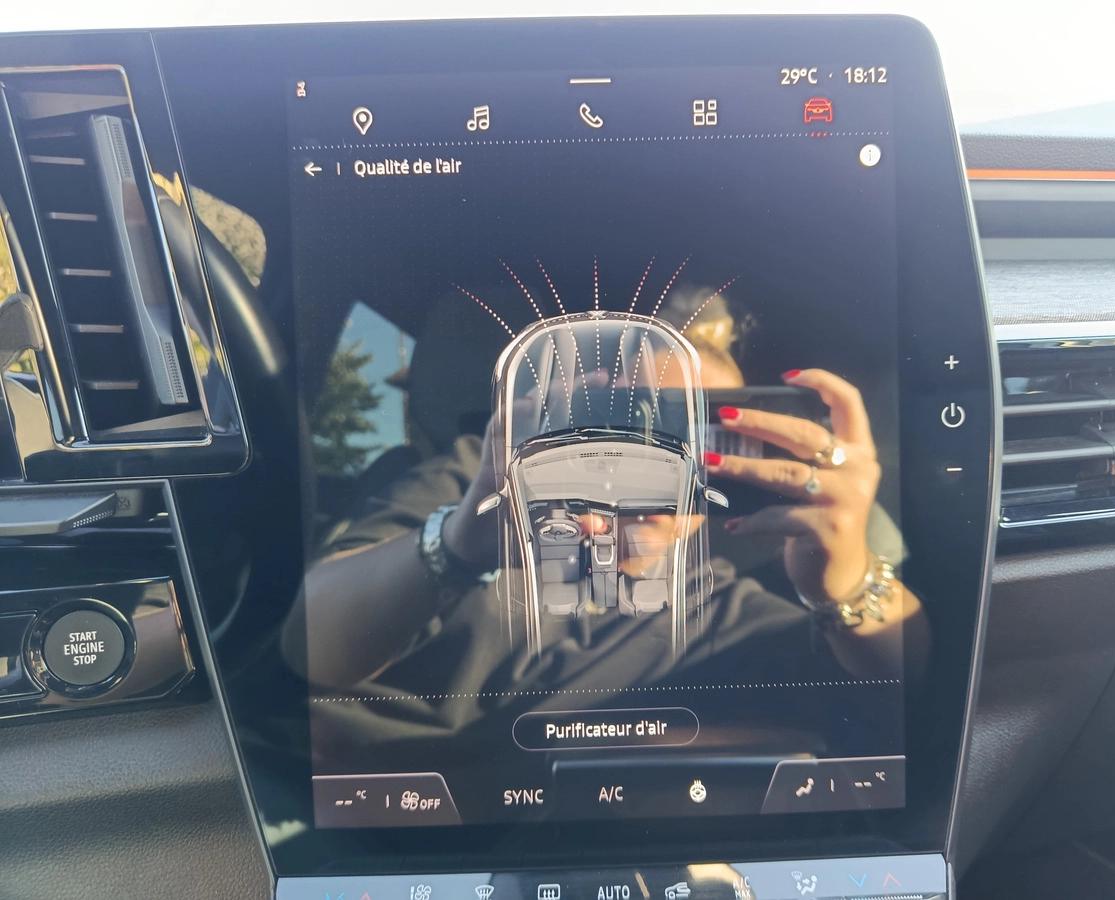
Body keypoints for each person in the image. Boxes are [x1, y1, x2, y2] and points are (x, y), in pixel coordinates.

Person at [283, 290, 927, 759]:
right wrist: (464, 543)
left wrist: (844, 579)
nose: (660, 455)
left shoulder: (718, 610)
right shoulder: (476, 483)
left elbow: (907, 684)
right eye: (639, 418)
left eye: (701, 431)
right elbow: (307, 645)